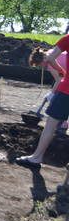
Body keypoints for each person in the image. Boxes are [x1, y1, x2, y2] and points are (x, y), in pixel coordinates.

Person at [16, 36, 69, 169]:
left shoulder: (66, 40)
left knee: (50, 125)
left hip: (67, 89)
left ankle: (37, 157)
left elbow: (55, 69)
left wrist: (62, 74)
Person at [28, 46, 69, 130]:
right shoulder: (50, 52)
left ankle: (62, 123)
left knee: (61, 98)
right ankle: (61, 122)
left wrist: (52, 93)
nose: (41, 67)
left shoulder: (50, 63)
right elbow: (60, 78)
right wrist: (52, 92)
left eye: (39, 64)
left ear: (42, 61)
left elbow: (59, 80)